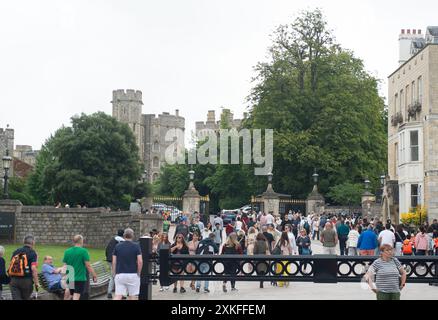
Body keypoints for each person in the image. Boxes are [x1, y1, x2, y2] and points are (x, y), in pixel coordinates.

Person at [62, 235, 97, 300]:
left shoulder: (67, 251)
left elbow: (64, 266)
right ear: (81, 241)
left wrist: (64, 278)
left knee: (71, 295)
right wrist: (94, 275)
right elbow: (88, 266)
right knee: (76, 296)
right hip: (80, 278)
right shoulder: (83, 251)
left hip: (70, 278)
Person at [112, 228, 142, 300]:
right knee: (132, 296)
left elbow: (114, 262)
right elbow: (140, 261)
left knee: (118, 295)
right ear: (132, 236)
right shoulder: (136, 246)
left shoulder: (117, 246)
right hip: (133, 274)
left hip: (120, 273)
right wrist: (139, 272)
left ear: (124, 235)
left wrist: (114, 273)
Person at [8, 235, 39, 300]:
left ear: (24, 242)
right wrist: (36, 282)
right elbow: (33, 268)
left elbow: (10, 266)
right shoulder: (32, 253)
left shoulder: (16, 251)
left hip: (14, 280)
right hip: (26, 281)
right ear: (33, 243)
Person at [104, 229, 125, 299]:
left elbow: (107, 249)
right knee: (119, 276)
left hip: (109, 260)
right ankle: (120, 293)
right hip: (116, 261)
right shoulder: (122, 241)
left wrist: (108, 257)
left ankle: (110, 292)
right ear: (123, 234)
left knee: (113, 276)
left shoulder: (112, 240)